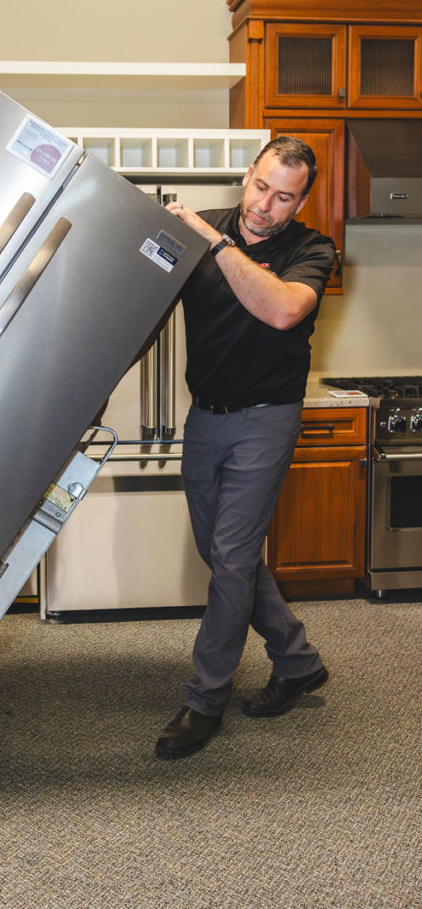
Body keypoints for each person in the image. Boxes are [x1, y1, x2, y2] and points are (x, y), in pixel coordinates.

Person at [154, 135, 335, 761]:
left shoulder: (312, 249)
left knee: (232, 558)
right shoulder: (201, 235)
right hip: (205, 417)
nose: (266, 205)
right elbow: (141, 305)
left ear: (301, 200)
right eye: (261, 187)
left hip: (267, 419)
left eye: (284, 197)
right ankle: (297, 659)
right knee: (218, 552)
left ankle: (204, 700)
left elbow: (281, 310)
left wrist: (219, 244)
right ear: (245, 177)